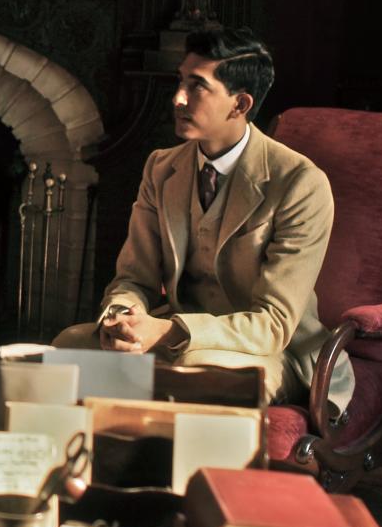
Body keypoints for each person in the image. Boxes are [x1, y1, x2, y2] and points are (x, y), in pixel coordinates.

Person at [51, 27, 353, 411]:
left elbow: (273, 324)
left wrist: (169, 330)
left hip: (271, 352)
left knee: (197, 372)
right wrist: (123, 319)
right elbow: (134, 278)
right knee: (68, 348)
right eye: (180, 81)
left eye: (197, 86)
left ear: (239, 104)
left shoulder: (299, 183)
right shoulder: (161, 168)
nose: (178, 98)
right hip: (172, 338)